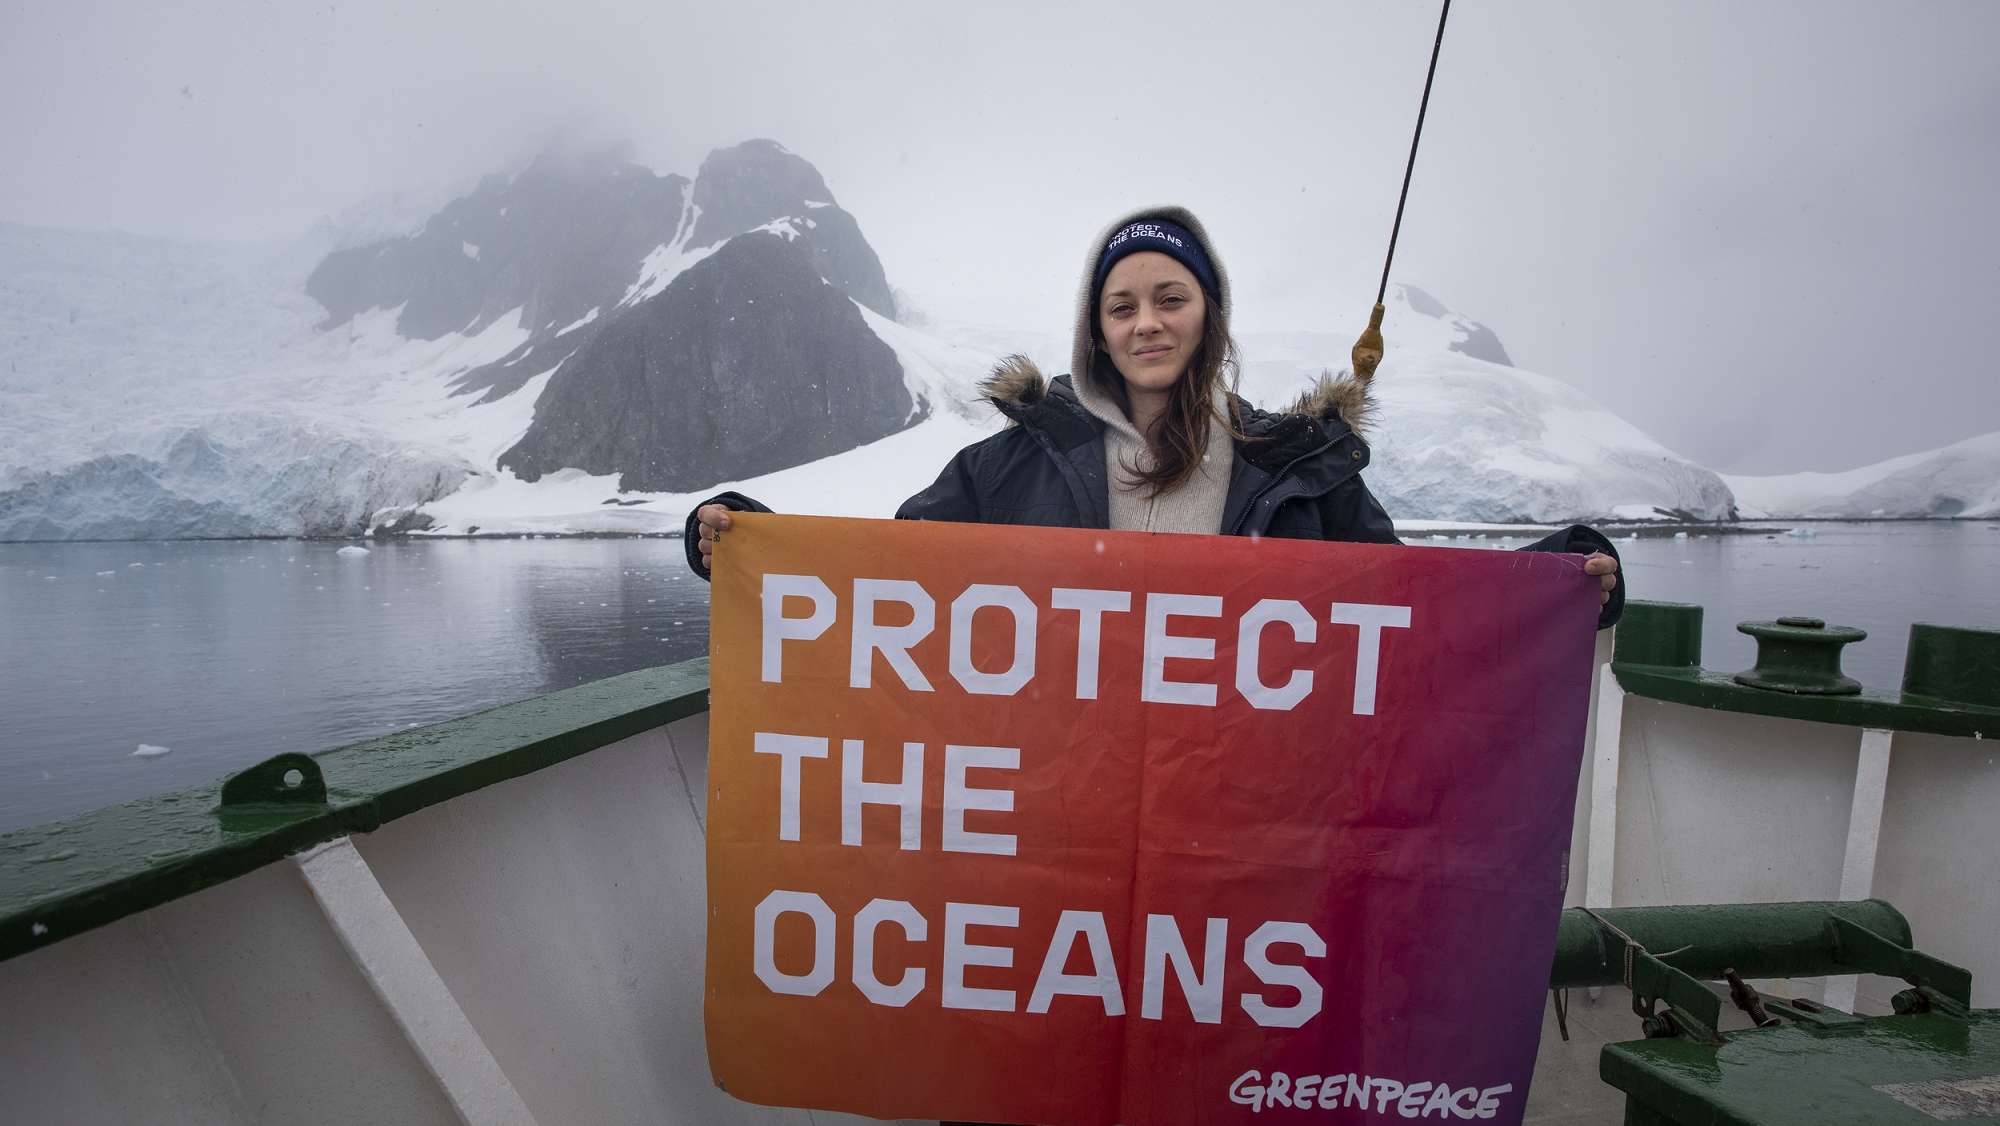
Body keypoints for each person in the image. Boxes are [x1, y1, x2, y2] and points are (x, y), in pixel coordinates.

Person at [685, 205, 1622, 625]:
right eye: (1122, 305)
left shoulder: (1296, 466)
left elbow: (1407, 611)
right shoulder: (1019, 462)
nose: (1147, 324)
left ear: (1209, 309)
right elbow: (889, 580)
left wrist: (1555, 582)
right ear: (1095, 326)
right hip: (1064, 784)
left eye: (1170, 297)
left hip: (1240, 785)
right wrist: (757, 541)